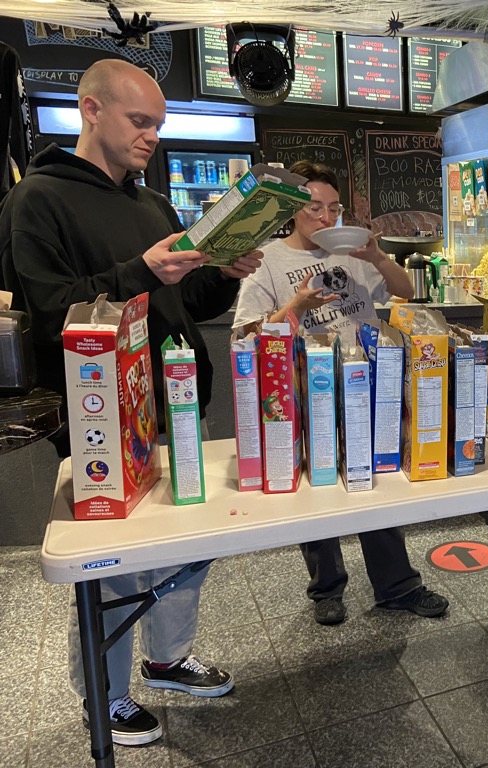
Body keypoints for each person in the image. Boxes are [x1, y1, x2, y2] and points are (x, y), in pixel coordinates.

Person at [0, 60, 265, 746]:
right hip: (99, 422)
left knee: (187, 548)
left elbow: (181, 303)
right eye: (138, 121)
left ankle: (168, 659)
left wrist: (223, 275)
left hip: (175, 404)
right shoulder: (37, 200)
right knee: (113, 565)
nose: (151, 136)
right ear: (91, 110)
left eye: (158, 124)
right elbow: (55, 313)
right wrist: (141, 271)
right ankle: (105, 694)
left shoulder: (152, 204)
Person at [233, 160, 449, 626]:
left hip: (367, 383)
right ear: (293, 210)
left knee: (377, 486)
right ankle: (326, 588)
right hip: (304, 388)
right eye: (314, 206)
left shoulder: (352, 253)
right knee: (317, 490)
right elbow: (246, 336)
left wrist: (375, 257)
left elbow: (405, 291)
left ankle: (397, 585)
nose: (325, 216)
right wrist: (295, 305)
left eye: (333, 208)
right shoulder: (267, 261)